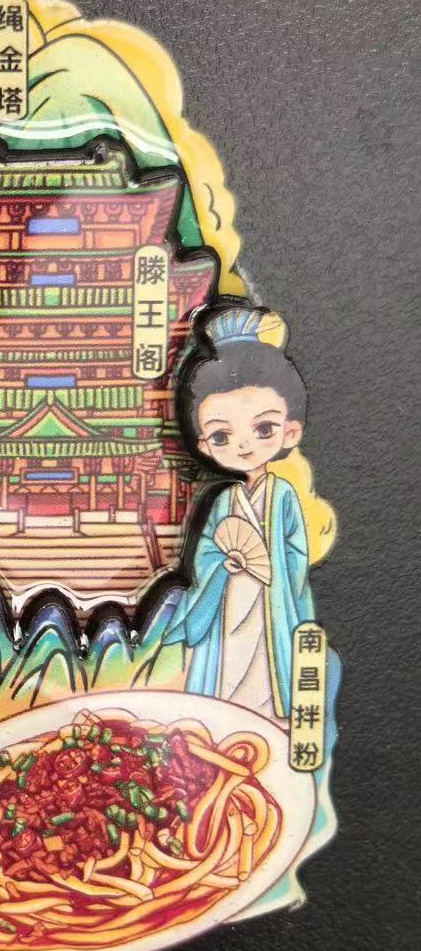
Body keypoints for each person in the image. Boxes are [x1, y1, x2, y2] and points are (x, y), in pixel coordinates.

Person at [165, 306, 314, 721]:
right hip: (230, 596)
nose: (244, 445)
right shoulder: (224, 501)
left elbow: (296, 555)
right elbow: (205, 554)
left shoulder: (282, 496)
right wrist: (223, 564)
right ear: (204, 444)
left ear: (290, 431)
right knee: (225, 672)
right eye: (222, 435)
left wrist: (271, 568)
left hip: (268, 598)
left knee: (266, 674)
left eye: (263, 429)